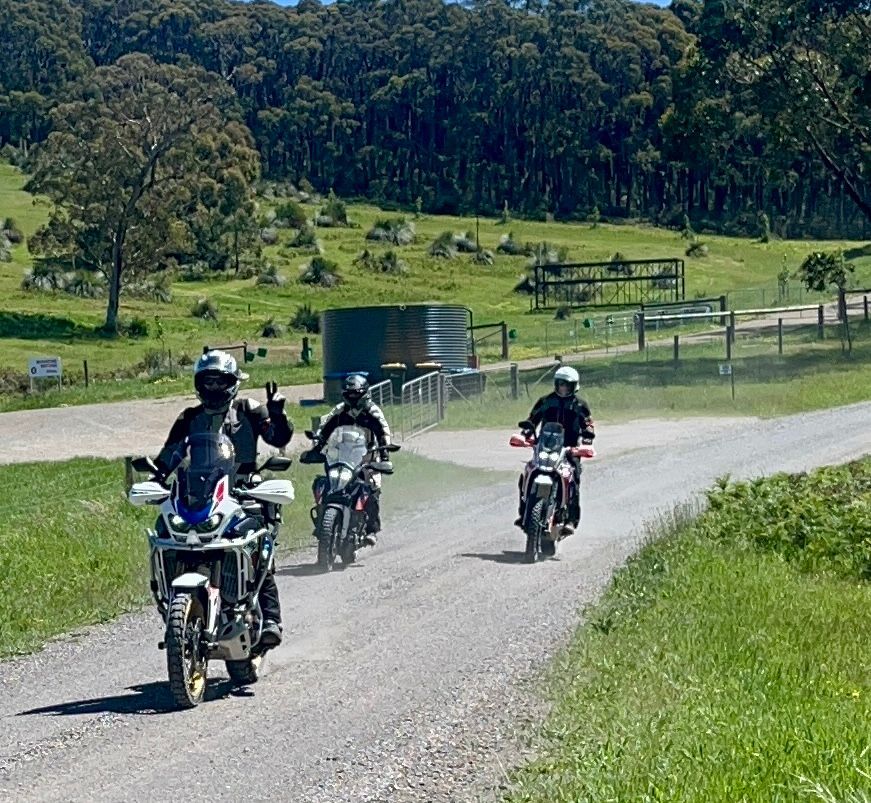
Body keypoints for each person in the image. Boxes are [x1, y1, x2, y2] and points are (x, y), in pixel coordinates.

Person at [155, 348, 292, 649]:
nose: (214, 388)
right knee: (165, 531)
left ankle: (270, 619)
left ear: (232, 382)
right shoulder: (189, 417)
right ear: (199, 384)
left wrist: (278, 413)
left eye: (220, 382)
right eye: (209, 382)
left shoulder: (249, 409)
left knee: (259, 548)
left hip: (244, 489)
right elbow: (169, 453)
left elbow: (277, 438)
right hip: (200, 492)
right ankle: (168, 598)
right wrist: (156, 477)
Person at [310, 373, 393, 546]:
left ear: (365, 394)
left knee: (371, 490)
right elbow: (325, 428)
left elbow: (383, 432)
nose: (353, 398)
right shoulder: (340, 411)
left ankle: (371, 529)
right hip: (341, 458)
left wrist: (385, 454)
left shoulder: (373, 412)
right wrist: (317, 446)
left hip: (367, 459)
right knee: (323, 484)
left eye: (356, 394)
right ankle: (322, 521)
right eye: (349, 395)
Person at [515, 365, 595, 535]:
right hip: (545, 447)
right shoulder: (546, 401)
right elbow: (532, 419)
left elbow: (588, 424)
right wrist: (526, 433)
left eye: (567, 385)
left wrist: (587, 440)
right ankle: (524, 513)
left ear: (574, 386)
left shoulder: (580, 404)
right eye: (560, 384)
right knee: (528, 472)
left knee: (573, 480)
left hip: (569, 450)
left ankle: (571, 520)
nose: (563, 388)